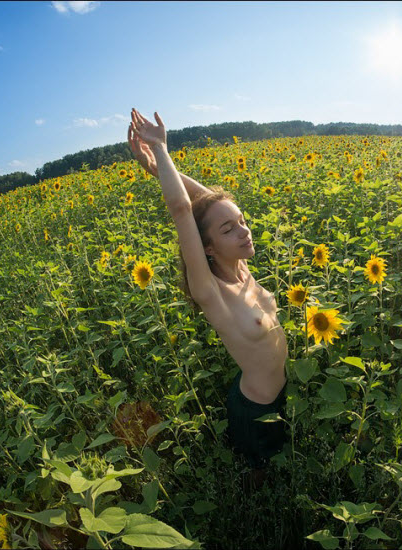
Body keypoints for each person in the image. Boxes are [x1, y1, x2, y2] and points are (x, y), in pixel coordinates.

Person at [128, 109, 289, 479]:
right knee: (260, 480)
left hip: (280, 395)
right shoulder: (211, 291)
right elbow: (185, 210)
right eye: (230, 230)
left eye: (243, 221)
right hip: (256, 410)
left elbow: (207, 205)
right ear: (208, 248)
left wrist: (158, 169)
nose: (244, 231)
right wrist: (162, 148)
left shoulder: (241, 269)